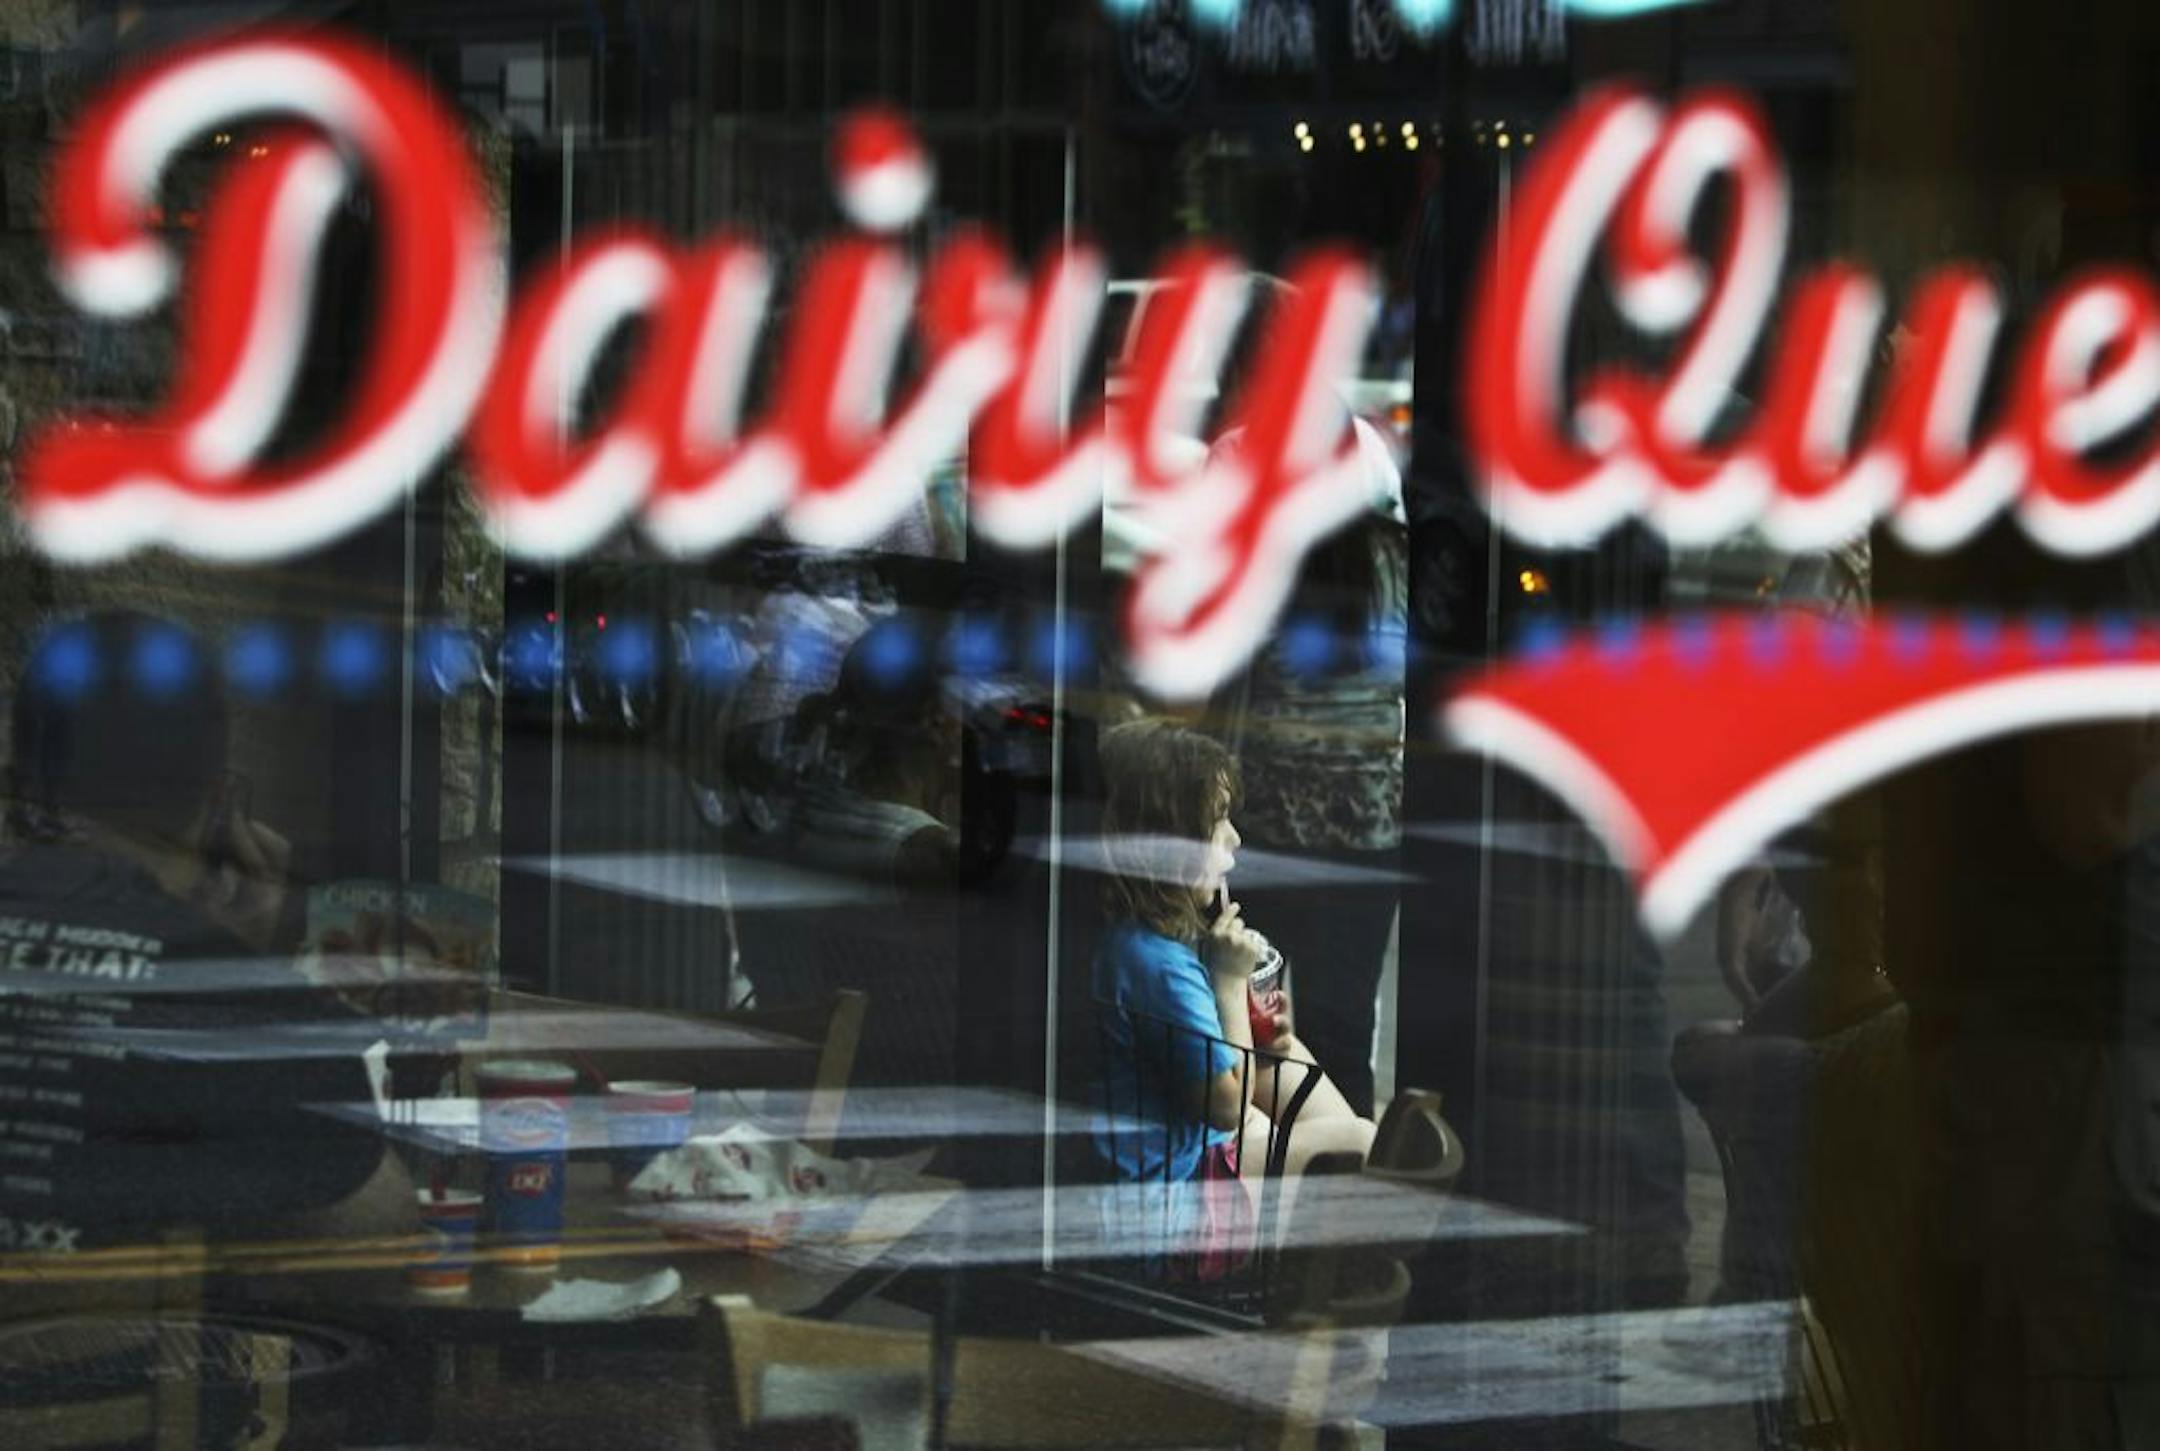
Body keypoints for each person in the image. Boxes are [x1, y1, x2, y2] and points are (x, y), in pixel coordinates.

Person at [0, 612, 409, 1281]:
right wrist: (250, 957)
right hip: (93, 1373)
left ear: (19, 786)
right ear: (220, 804)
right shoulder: (200, 978)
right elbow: (366, 1216)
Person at [1092, 718, 1374, 1239]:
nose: (1235, 837)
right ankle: (1326, 1290)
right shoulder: (1158, 966)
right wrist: (1227, 982)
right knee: (1358, 1144)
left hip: (1189, 1160)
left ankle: (1332, 1268)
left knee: (1320, 1119)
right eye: (1217, 821)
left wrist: (1251, 1019)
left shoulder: (1143, 945)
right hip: (1176, 1201)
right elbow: (1225, 1108)